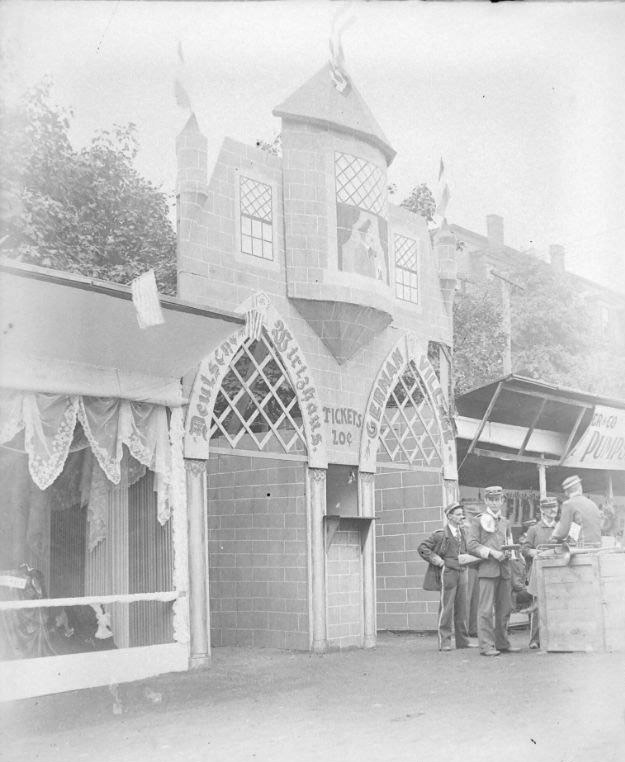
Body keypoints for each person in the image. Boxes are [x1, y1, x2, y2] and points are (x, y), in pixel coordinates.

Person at [466, 485, 521, 656]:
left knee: (504, 609)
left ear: (503, 500)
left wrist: (511, 555)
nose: (495, 502)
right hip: (487, 569)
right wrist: (492, 553)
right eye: (491, 499)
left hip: (505, 570)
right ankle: (486, 646)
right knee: (485, 610)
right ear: (486, 500)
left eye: (498, 499)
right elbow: (471, 545)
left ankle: (502, 643)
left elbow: (509, 543)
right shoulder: (478, 520)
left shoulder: (505, 522)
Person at [418, 502, 479, 651]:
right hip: (448, 573)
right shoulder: (440, 534)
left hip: (463, 572)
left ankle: (463, 641)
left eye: (461, 514)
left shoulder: (464, 532)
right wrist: (438, 561)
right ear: (449, 516)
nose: (461, 517)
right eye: (458, 515)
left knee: (462, 608)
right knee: (447, 608)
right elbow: (422, 548)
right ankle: (444, 642)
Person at [522, 496, 559, 649]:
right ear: (542, 510)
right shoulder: (534, 529)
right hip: (539, 572)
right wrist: (534, 552)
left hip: (557, 571)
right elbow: (524, 549)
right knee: (538, 605)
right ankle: (535, 639)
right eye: (549, 507)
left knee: (557, 604)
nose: (553, 510)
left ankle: (557, 636)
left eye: (555, 507)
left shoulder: (560, 528)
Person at [551, 475, 602, 547]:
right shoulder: (592, 503)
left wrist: (553, 534)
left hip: (582, 549)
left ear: (566, 492)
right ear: (580, 488)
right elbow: (582, 525)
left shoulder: (568, 504)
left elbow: (562, 533)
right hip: (597, 547)